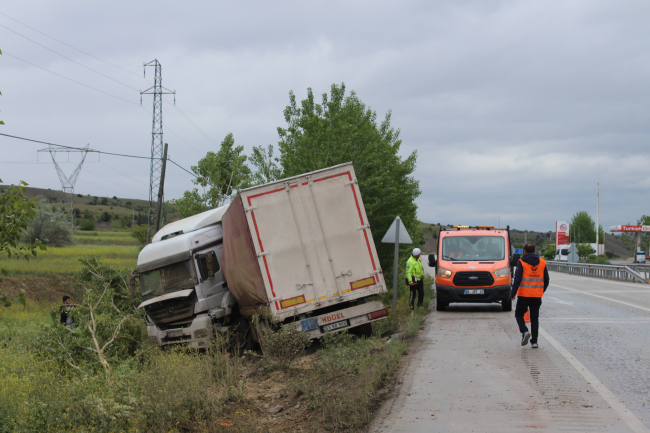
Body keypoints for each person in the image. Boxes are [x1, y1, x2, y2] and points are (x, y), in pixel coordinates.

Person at [510, 243, 549, 348]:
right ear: (534, 250)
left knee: (518, 314)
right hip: (537, 296)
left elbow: (517, 279)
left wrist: (512, 294)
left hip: (524, 295)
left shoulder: (521, 262)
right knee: (534, 318)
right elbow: (546, 280)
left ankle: (524, 331)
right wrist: (541, 291)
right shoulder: (542, 262)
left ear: (524, 251)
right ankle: (534, 342)